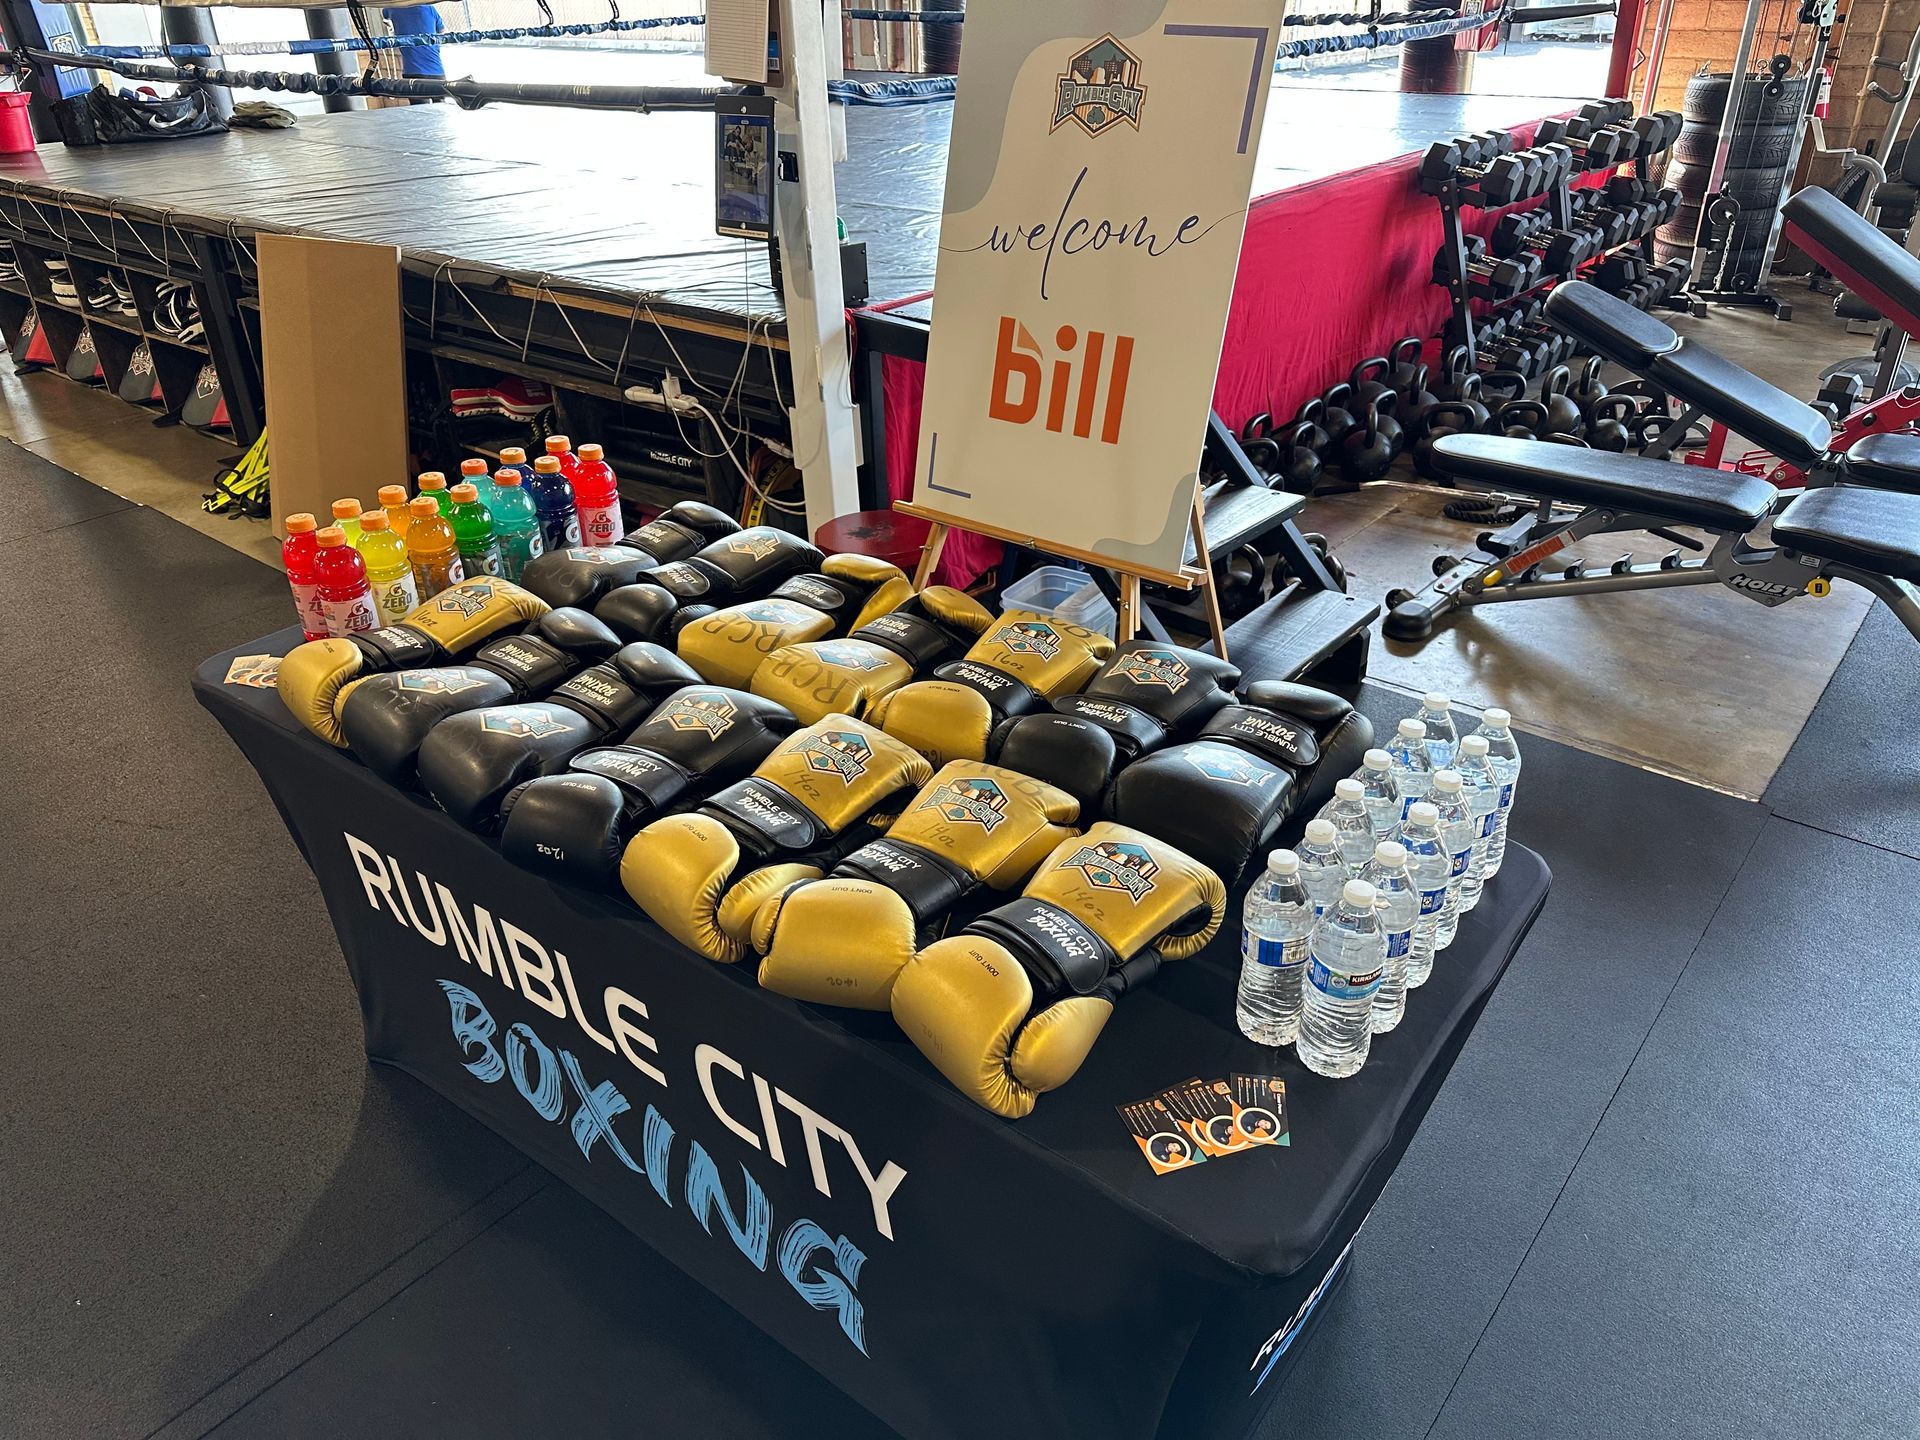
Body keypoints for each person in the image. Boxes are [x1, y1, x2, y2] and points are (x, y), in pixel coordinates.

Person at [383, 4, 445, 102]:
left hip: (412, 71)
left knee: (418, 113)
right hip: (435, 69)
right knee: (441, 110)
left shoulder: (392, 8)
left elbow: (385, 16)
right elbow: (441, 31)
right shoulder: (429, 8)